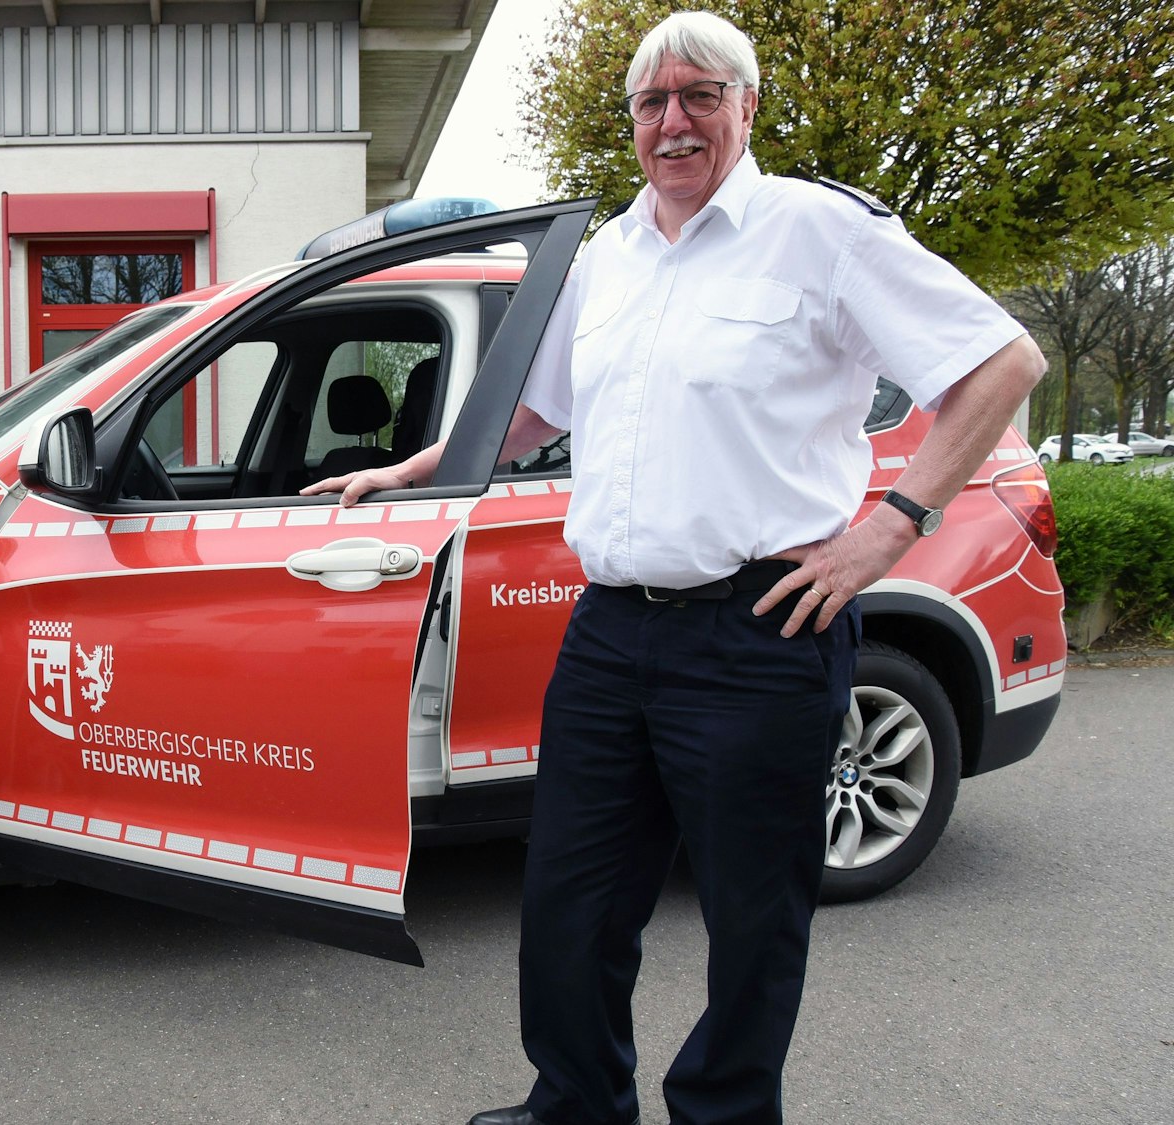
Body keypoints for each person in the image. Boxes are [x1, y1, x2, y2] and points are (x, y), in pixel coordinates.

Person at [303, 11, 1045, 1124]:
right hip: (610, 631)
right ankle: (575, 1100)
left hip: (763, 630)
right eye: (651, 102)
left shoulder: (816, 232)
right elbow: (537, 409)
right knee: (569, 898)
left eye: (699, 95)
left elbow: (1001, 361)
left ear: (746, 108)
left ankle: (724, 1112)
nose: (673, 121)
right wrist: (408, 471)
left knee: (753, 916)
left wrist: (890, 528)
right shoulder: (606, 257)